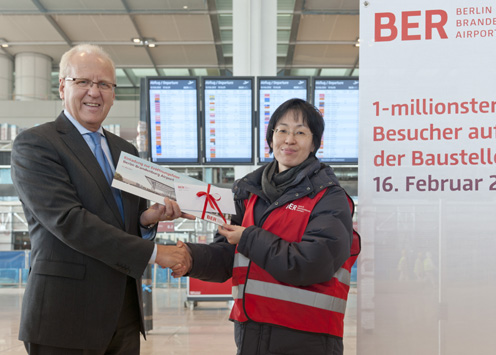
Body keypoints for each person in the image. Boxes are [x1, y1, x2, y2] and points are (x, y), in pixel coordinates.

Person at [11, 44, 194, 354]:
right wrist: (155, 252)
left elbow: (124, 220)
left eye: (104, 84)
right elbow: (70, 222)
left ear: (113, 93)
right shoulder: (36, 144)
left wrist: (147, 220)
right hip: (64, 317)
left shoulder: (126, 151)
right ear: (62, 87)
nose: (94, 92)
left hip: (122, 314)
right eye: (83, 82)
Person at [183, 98, 361, 355]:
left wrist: (249, 237)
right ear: (271, 137)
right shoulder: (247, 193)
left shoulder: (330, 198)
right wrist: (187, 258)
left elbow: (314, 263)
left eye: (300, 132)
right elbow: (226, 259)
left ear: (314, 144)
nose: (289, 139)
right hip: (251, 332)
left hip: (308, 339)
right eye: (282, 130)